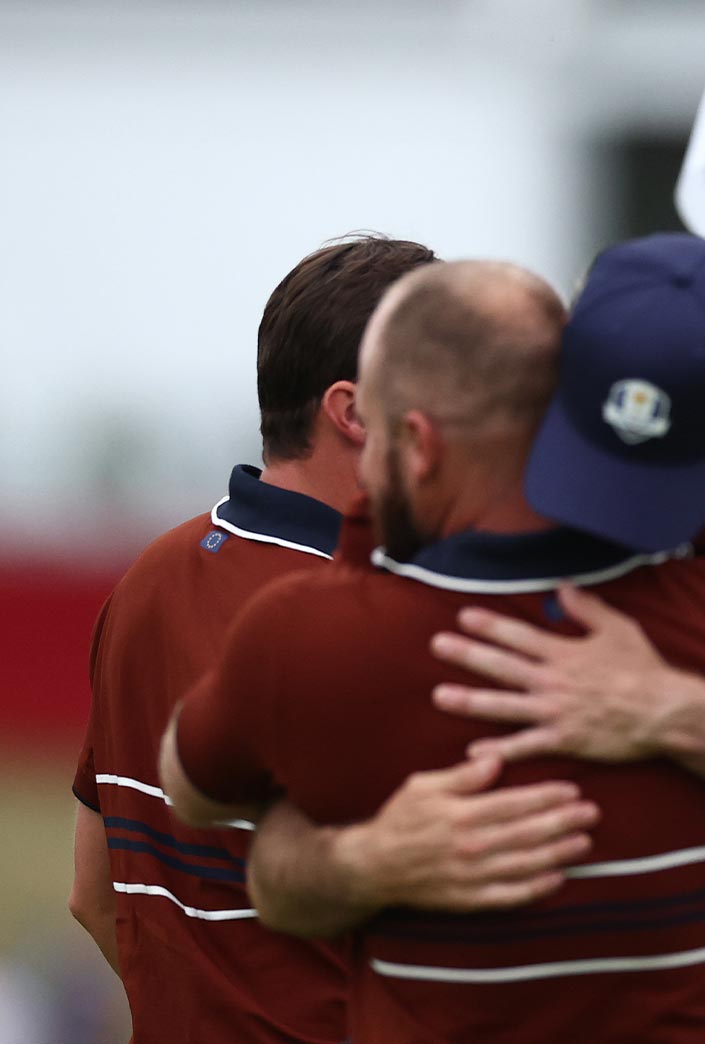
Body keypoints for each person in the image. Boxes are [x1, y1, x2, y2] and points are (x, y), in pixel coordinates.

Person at [159, 240, 705, 1043]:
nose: (615, 514)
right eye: (604, 452)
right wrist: (365, 861)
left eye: (663, 476)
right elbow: (266, 856)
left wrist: (675, 710)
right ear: (564, 383)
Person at [65, 234, 440, 1042]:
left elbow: (94, 896)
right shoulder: (380, 616)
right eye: (450, 391)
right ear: (353, 412)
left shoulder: (148, 579)